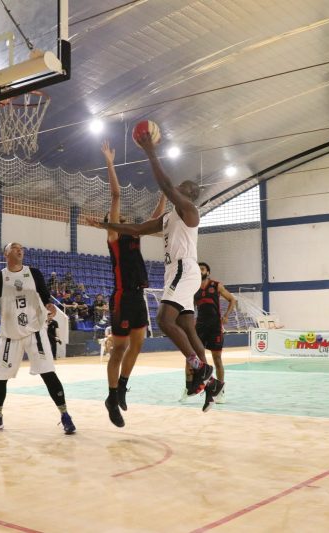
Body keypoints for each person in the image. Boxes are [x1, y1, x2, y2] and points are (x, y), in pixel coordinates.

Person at [92, 131, 220, 412]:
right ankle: (209, 382)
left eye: (182, 187)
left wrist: (150, 150)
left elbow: (164, 187)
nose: (177, 187)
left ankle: (198, 367)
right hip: (174, 272)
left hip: (183, 268)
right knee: (186, 325)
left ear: (189, 195)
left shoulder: (188, 209)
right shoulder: (169, 217)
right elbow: (138, 228)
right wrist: (106, 226)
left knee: (163, 319)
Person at [95, 140, 166, 427]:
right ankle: (111, 396)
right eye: (117, 217)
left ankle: (122, 388)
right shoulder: (113, 238)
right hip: (122, 297)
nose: (121, 217)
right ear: (111, 223)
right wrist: (111, 162)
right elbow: (115, 195)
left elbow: (155, 219)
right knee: (119, 349)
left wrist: (164, 192)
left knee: (138, 345)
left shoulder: (134, 234)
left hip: (138, 296)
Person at [0, 242, 76, 435]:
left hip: (35, 331)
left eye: (21, 247)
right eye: (15, 247)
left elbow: (45, 295)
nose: (20, 249)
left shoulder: (34, 273)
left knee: (48, 373)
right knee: (0, 377)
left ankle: (65, 415)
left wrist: (49, 305)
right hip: (10, 334)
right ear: (7, 254)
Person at [188, 262, 236, 403]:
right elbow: (190, 308)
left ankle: (220, 390)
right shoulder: (194, 289)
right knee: (192, 358)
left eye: (202, 269)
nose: (200, 271)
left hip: (215, 326)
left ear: (207, 272)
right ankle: (189, 387)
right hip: (200, 327)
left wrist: (226, 315)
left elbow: (232, 299)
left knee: (217, 359)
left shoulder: (216, 285)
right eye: (198, 269)